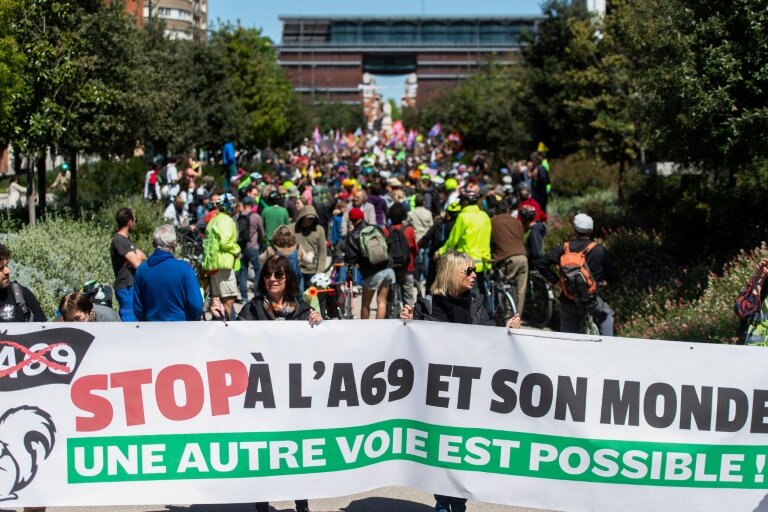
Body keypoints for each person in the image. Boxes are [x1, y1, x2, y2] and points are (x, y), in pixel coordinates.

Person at [400, 251, 518, 512]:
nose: (474, 275)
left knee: (460, 452)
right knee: (440, 450)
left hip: (467, 394)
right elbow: (409, 348)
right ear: (451, 272)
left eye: (475, 270)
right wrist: (407, 324)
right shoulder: (426, 305)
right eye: (468, 271)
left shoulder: (476, 305)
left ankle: (459, 504)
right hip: (435, 393)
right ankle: (443, 503)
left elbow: (489, 344)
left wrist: (507, 331)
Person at [222, 254, 319, 512]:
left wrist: (319, 323)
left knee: (295, 447)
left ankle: (302, 503)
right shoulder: (252, 309)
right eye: (268, 274)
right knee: (264, 449)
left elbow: (319, 346)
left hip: (292, 391)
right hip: (261, 391)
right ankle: (262, 503)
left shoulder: (302, 309)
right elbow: (234, 340)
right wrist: (222, 320)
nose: (272, 279)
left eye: (279, 275)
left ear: (288, 278)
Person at [536, 213, 615, 335]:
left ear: (574, 229)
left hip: (568, 298)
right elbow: (612, 275)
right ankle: (607, 345)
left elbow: (540, 263)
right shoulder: (599, 249)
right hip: (590, 299)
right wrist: (606, 282)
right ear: (591, 229)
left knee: (569, 335)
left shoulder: (564, 248)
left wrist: (556, 281)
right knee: (607, 316)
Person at [438, 190, 493, 316]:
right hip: (483, 261)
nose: (461, 205)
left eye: (462, 202)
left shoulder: (463, 217)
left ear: (466, 202)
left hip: (467, 263)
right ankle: (488, 316)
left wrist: (441, 251)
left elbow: (453, 239)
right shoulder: (485, 216)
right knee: (483, 291)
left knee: (466, 294)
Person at [133, 225, 203, 321]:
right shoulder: (184, 268)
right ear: (174, 244)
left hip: (151, 330)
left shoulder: (141, 270)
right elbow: (196, 305)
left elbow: (138, 309)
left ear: (153, 243)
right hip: (181, 330)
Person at [343, 207, 395, 319]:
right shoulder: (376, 228)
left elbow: (351, 258)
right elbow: (388, 243)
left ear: (351, 221)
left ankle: (366, 331)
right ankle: (379, 331)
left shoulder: (353, 235)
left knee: (365, 304)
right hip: (387, 268)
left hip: (371, 273)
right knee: (382, 302)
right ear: (362, 217)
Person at [202, 193, 241, 320]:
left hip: (213, 265)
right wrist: (237, 249)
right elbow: (225, 242)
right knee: (229, 298)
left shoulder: (214, 219)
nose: (237, 207)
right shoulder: (227, 220)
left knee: (217, 300)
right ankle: (228, 326)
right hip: (223, 264)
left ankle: (218, 325)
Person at [491, 198, 528, 313]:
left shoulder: (492, 221)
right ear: (508, 209)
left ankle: (506, 313)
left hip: (506, 259)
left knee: (502, 285)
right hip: (522, 257)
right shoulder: (517, 221)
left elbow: (490, 241)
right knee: (521, 291)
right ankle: (517, 317)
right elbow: (521, 240)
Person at [110, 208, 147, 321]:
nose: (135, 224)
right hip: (126, 287)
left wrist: (138, 257)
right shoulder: (119, 240)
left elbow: (144, 257)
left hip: (132, 286)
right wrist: (137, 258)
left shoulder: (127, 241)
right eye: (135, 220)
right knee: (130, 323)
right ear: (130, 222)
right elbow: (138, 265)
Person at [0, 243, 46, 322]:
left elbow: (43, 331)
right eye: (1, 268)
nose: (7, 271)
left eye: (7, 265)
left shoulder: (21, 294)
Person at [290, 204, 328, 291]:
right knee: (298, 294)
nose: (309, 221)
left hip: (312, 270)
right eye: (307, 218)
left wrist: (319, 272)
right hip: (296, 268)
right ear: (301, 217)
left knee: (310, 297)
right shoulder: (292, 228)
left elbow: (322, 252)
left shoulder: (319, 230)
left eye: (312, 219)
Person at [236, 196, 264, 303]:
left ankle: (244, 297)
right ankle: (257, 293)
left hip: (241, 247)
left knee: (243, 270)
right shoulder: (256, 216)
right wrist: (260, 241)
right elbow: (262, 232)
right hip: (253, 247)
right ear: (252, 205)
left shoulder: (238, 216)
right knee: (258, 269)